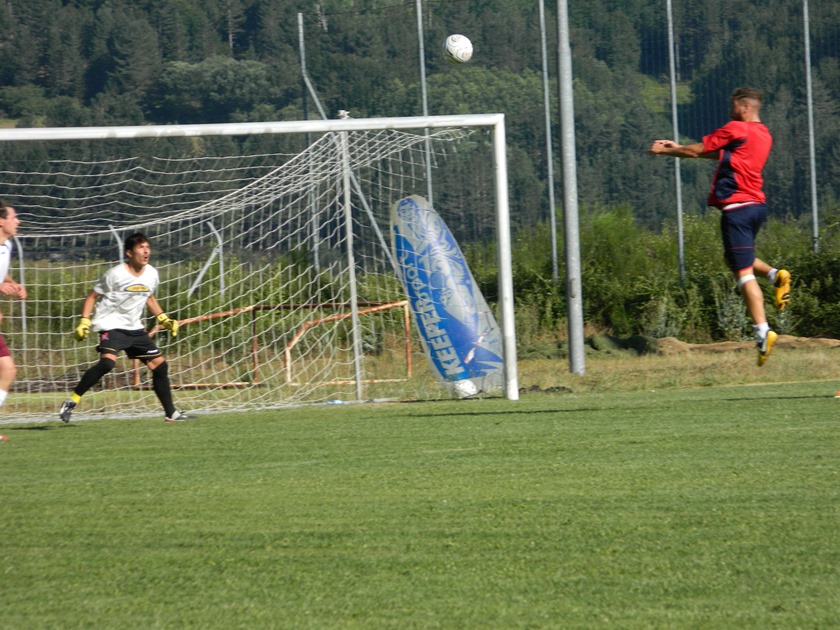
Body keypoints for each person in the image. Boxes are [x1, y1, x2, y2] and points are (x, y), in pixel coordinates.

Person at [649, 87, 791, 366]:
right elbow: (716, 155)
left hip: (736, 209)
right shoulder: (763, 134)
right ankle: (776, 276)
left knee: (743, 273)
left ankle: (763, 332)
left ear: (744, 107)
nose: (730, 109)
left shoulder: (736, 128)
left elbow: (697, 151)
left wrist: (666, 152)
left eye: (733, 104)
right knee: (734, 257)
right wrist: (676, 146)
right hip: (756, 207)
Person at [60, 232, 191, 422]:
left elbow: (149, 297)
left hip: (135, 328)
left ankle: (171, 413)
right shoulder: (115, 274)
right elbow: (91, 297)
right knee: (107, 364)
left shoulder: (152, 273)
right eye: (141, 247)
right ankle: (72, 400)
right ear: (129, 253)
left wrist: (164, 319)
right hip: (111, 325)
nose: (146, 251)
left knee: (160, 366)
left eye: (147, 247)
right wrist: (84, 321)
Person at [0, 201, 27, 409]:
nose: (18, 221)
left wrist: (12, 283)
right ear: (1, 221)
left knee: (7, 370)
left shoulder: (7, 246)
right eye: (13, 217)